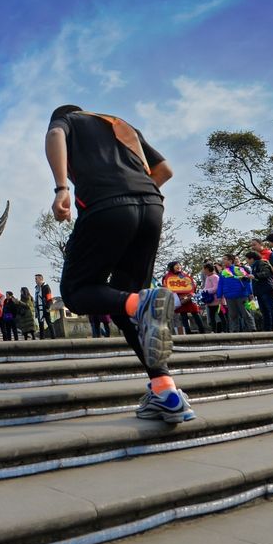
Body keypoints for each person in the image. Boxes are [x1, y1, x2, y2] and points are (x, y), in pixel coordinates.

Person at [46, 104, 194, 423]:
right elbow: (165, 170)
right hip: (152, 206)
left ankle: (141, 303)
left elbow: (56, 133)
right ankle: (166, 393)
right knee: (127, 307)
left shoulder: (68, 119)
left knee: (77, 291)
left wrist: (61, 188)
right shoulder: (117, 122)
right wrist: (136, 190)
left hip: (106, 206)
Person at [244, 251, 273, 330]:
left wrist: (255, 275)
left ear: (252, 259)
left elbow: (267, 273)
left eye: (247, 259)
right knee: (264, 311)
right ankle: (267, 328)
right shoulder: (253, 267)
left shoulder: (262, 263)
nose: (246, 261)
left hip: (266, 289)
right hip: (259, 291)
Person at [216, 254, 255, 332]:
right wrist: (219, 296)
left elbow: (247, 281)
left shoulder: (239, 269)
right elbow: (220, 285)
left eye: (225, 259)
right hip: (229, 296)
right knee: (232, 315)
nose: (223, 261)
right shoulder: (222, 273)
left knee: (246, 313)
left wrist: (250, 293)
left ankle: (252, 328)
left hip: (241, 295)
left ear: (230, 261)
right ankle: (234, 330)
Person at [162, 262, 204, 334]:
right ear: (171, 267)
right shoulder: (168, 277)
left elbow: (191, 284)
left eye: (179, 265)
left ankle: (202, 330)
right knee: (183, 314)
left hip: (188, 297)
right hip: (179, 299)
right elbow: (166, 287)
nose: (178, 266)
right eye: (176, 265)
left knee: (195, 312)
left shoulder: (182, 275)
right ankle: (188, 331)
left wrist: (191, 292)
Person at [200, 263, 224, 332]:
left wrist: (206, 291)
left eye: (204, 269)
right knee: (212, 316)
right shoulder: (208, 277)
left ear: (207, 269)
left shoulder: (215, 277)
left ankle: (223, 330)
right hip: (210, 301)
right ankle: (214, 330)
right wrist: (203, 291)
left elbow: (216, 288)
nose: (203, 271)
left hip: (217, 300)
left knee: (221, 315)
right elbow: (207, 287)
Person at [33, 274, 55, 339]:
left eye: (36, 279)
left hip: (45, 308)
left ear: (40, 279)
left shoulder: (46, 287)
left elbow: (49, 298)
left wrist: (48, 307)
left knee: (49, 323)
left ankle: (53, 337)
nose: (35, 280)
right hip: (39, 308)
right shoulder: (37, 288)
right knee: (40, 323)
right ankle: (42, 337)